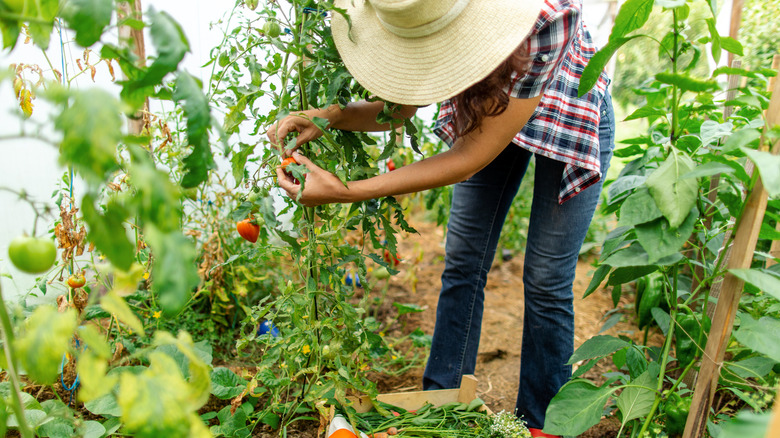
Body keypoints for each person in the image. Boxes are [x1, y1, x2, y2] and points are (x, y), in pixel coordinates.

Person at [267, 0, 614, 436]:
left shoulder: (545, 15)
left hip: (569, 112)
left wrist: (345, 192)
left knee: (546, 278)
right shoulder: (425, 9)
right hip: (490, 111)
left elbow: (470, 157)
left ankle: (544, 422)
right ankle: (442, 404)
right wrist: (329, 116)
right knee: (464, 259)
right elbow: (398, 108)